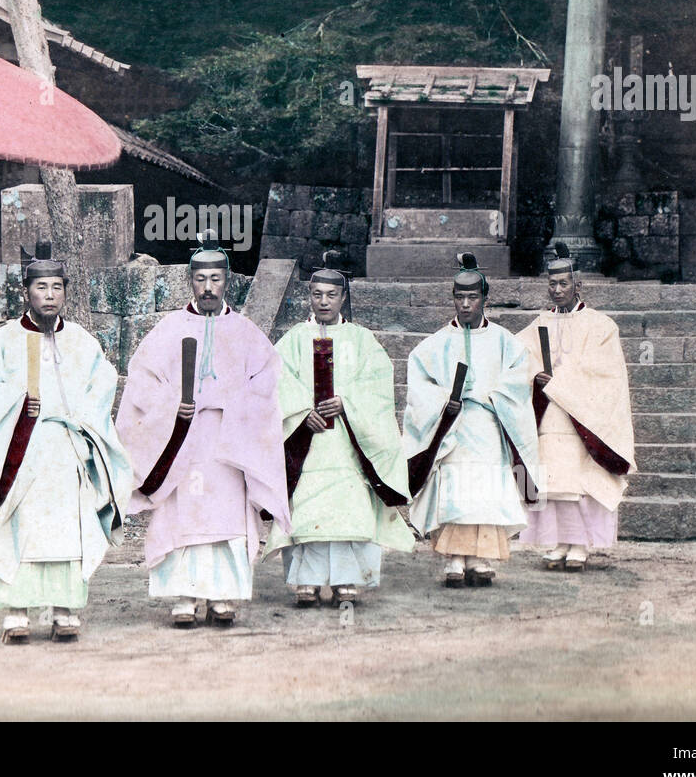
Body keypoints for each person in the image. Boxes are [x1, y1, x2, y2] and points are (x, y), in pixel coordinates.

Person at [0, 246, 133, 643]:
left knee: (68, 529)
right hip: (22, 452)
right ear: (26, 292)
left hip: (67, 449)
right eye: (41, 287)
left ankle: (64, 610)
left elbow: (101, 385)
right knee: (21, 529)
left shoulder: (82, 342)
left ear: (65, 291)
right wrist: (19, 402)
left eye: (56, 287)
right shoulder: (2, 342)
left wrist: (77, 413)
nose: (49, 295)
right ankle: (16, 612)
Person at [117, 233, 290, 628]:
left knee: (226, 517)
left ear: (228, 280)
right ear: (189, 281)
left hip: (229, 444)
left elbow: (267, 384)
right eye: (200, 279)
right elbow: (142, 384)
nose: (208, 287)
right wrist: (172, 407)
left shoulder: (246, 332)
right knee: (183, 515)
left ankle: (222, 596)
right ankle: (184, 596)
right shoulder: (168, 330)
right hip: (183, 443)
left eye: (216, 278)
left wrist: (234, 403)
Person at [265, 260, 414, 606]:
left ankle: (348, 579)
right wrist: (303, 414)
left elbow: (377, 384)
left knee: (349, 507)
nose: (323, 301)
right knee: (307, 510)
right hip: (309, 442)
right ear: (309, 296)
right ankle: (307, 580)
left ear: (343, 298)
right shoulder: (293, 339)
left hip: (348, 441)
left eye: (331, 295)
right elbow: (276, 382)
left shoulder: (361, 340)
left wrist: (347, 403)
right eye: (317, 294)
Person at [403, 253, 540, 587]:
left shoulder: (506, 342)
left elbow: (519, 381)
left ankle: (480, 558)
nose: (465, 304)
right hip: (454, 429)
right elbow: (420, 387)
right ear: (453, 298)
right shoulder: (434, 345)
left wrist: (492, 396)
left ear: (485, 299)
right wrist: (444, 403)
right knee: (455, 490)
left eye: (472, 297)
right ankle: (454, 557)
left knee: (486, 491)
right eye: (460, 297)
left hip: (489, 425)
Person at [516, 244, 636, 571]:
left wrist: (561, 383)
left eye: (563, 284)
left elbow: (604, 374)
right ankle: (559, 542)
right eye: (552, 284)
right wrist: (535, 377)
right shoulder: (539, 324)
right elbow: (518, 358)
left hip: (583, 417)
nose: (557, 290)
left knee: (580, 484)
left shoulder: (600, 326)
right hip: (549, 414)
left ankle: (580, 545)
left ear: (577, 285)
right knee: (555, 484)